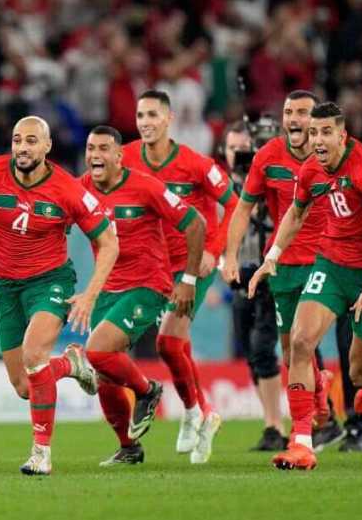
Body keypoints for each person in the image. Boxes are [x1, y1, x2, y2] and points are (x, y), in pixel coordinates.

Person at [0, 116, 119, 476]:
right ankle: (70, 364)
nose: (22, 148)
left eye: (30, 141)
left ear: (46, 147)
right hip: (5, 285)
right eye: (16, 141)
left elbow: (108, 242)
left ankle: (42, 453)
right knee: (24, 386)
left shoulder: (68, 189)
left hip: (50, 281)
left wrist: (89, 295)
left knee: (34, 353)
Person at [248, 101, 362, 470]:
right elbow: (296, 213)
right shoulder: (310, 170)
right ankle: (302, 442)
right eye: (313, 132)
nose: (317, 140)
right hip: (332, 265)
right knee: (300, 342)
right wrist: (272, 255)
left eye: (325, 133)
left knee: (359, 374)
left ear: (342, 134)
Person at [222, 92, 345, 451]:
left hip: (328, 262)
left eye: (303, 112)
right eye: (289, 111)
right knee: (292, 354)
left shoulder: (336, 158)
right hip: (284, 265)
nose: (294, 118)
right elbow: (243, 209)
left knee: (309, 345)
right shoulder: (268, 156)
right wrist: (230, 256)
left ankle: (306, 432)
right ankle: (322, 413)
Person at [121, 90, 237, 463]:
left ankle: (193, 414)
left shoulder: (196, 164)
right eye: (140, 115)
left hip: (191, 266)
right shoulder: (124, 157)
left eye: (153, 114)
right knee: (176, 344)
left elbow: (234, 204)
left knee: (168, 343)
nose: (145, 122)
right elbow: (86, 186)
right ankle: (203, 412)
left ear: (169, 119)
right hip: (150, 266)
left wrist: (214, 252)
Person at [81, 126, 207, 466]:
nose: (95, 155)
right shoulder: (81, 189)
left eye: (104, 149)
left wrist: (190, 280)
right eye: (90, 148)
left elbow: (195, 224)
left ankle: (147, 390)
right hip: (108, 289)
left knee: (97, 350)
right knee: (105, 375)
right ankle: (129, 448)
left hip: (147, 286)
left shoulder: (146, 186)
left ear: (119, 156)